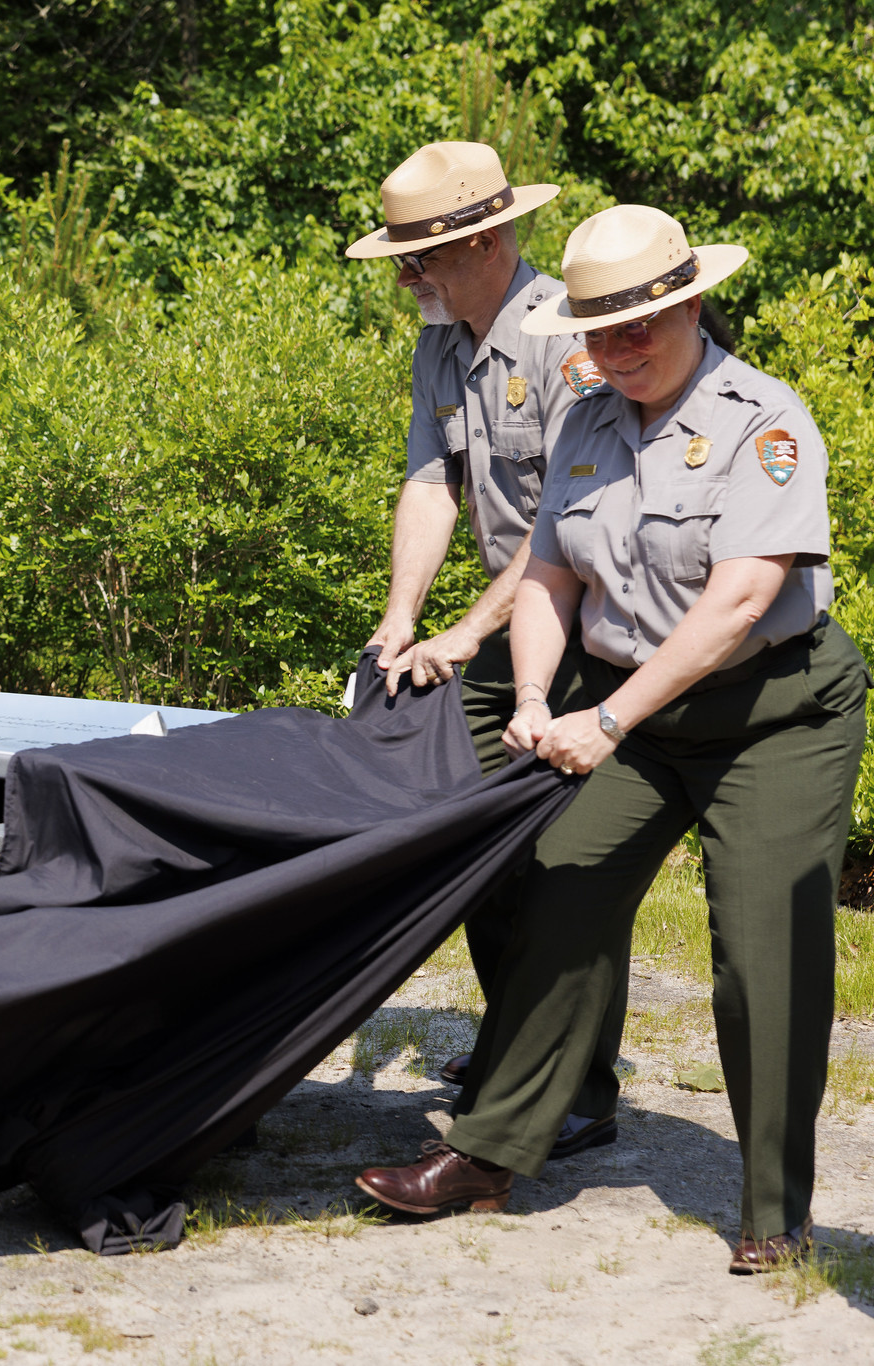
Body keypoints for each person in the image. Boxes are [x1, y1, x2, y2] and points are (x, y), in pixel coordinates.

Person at [355, 205, 868, 1272]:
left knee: (760, 952)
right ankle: (491, 1151)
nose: (620, 346)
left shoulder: (760, 422)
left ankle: (774, 1206)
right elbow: (545, 574)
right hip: (625, 704)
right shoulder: (587, 421)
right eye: (596, 329)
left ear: (687, 304)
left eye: (641, 323)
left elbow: (736, 605)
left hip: (770, 714)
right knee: (556, 882)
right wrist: (535, 695)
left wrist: (606, 718)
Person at [345, 140, 620, 1155]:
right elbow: (431, 481)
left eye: (422, 258)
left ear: (491, 237)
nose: (406, 278)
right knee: (462, 818)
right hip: (513, 619)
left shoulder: (566, 340)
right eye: (401, 261)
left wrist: (464, 633)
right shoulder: (440, 343)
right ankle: (515, 1040)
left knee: (563, 851)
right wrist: (399, 616)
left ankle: (578, 1086)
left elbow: (566, 516)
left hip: (597, 626)